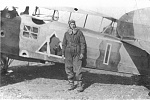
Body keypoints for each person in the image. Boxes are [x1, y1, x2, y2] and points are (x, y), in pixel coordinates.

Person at [62, 19, 86, 92]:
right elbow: (64, 44)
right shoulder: (66, 33)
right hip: (68, 52)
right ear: (69, 25)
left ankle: (79, 85)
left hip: (77, 52)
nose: (73, 25)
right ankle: (71, 84)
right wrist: (63, 53)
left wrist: (82, 53)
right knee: (68, 68)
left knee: (78, 69)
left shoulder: (79, 33)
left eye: (74, 24)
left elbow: (82, 43)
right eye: (71, 24)